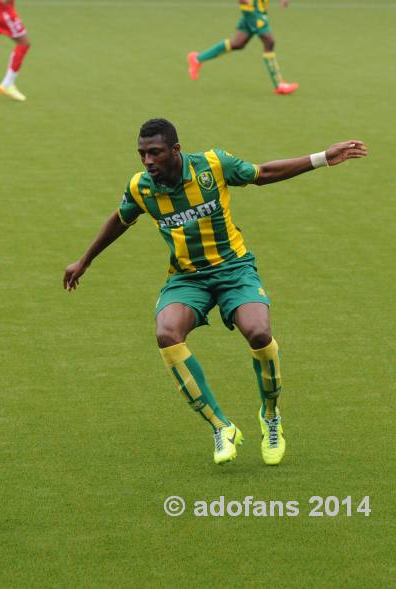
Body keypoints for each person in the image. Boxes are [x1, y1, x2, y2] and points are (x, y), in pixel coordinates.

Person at [63, 118, 366, 466]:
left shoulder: (212, 165)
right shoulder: (142, 187)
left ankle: (270, 416)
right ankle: (221, 426)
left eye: (155, 153)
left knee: (259, 332)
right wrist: (84, 260)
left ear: (175, 150)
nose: (147, 161)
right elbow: (120, 218)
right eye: (142, 154)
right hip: (187, 278)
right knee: (166, 334)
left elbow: (262, 173)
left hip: (234, 270)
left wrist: (323, 157)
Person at [188, 0, 298, 95]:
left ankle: (197, 59)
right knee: (269, 41)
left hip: (258, 7)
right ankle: (279, 84)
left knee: (238, 43)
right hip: (252, 8)